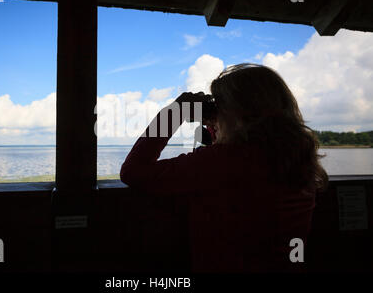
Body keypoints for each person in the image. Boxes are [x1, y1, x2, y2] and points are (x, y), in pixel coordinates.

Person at [120, 63, 328, 272]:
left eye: (219, 107)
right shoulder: (301, 160)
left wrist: (175, 113)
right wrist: (217, 126)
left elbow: (133, 171)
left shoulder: (223, 161)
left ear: (238, 112)